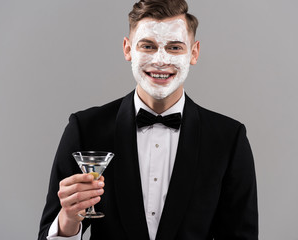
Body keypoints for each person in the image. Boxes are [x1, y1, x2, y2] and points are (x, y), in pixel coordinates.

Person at [38, 0, 258, 239]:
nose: (160, 60)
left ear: (193, 53)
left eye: (174, 48)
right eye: (148, 46)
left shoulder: (229, 138)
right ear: (128, 49)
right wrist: (68, 220)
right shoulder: (85, 128)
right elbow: (47, 233)